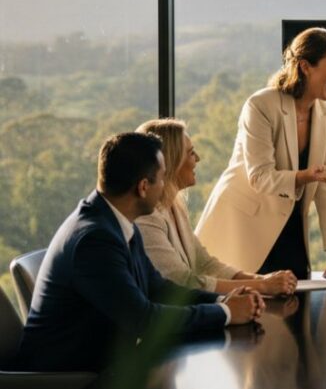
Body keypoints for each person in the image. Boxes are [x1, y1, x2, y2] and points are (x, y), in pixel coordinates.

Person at [15, 132, 263, 372]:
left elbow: (158, 289)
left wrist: (221, 300)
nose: (165, 186)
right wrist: (226, 313)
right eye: (163, 178)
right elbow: (143, 321)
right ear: (143, 187)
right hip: (67, 381)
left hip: (99, 365)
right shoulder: (95, 239)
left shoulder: (115, 220)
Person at [196, 27, 326, 280]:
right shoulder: (260, 105)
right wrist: (306, 176)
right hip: (244, 226)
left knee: (296, 298)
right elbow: (260, 177)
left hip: (292, 226)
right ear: (305, 66)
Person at [134, 119, 298, 296]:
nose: (198, 158)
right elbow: (183, 282)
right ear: (170, 161)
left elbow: (205, 264)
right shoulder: (147, 218)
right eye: (190, 153)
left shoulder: (175, 207)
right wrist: (262, 286)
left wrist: (261, 279)